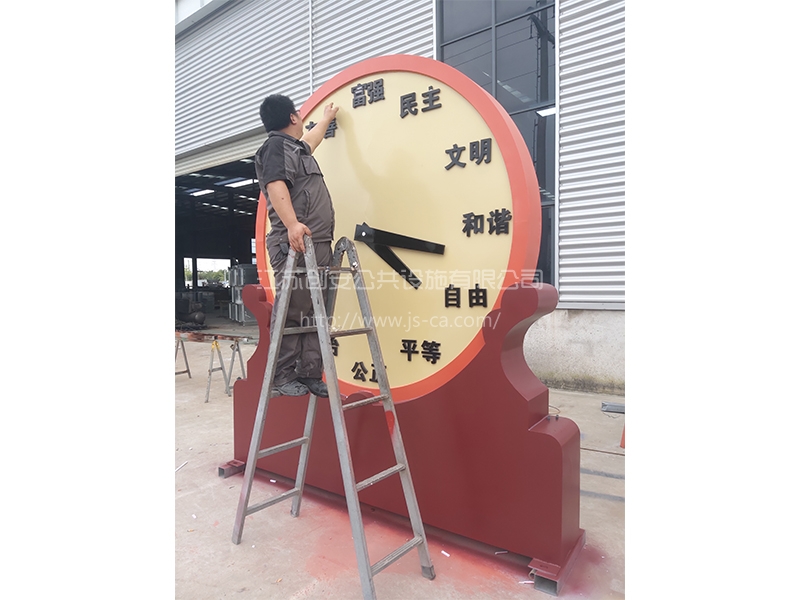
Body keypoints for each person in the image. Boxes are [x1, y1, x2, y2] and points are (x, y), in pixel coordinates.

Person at [254, 94, 339, 397]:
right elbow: (275, 184)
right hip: (295, 244)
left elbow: (311, 139)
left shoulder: (296, 148)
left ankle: (309, 372)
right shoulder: (275, 148)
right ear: (292, 117)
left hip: (316, 244)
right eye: (299, 114)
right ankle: (282, 375)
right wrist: (292, 225)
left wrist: (326, 119)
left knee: (315, 309)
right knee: (293, 307)